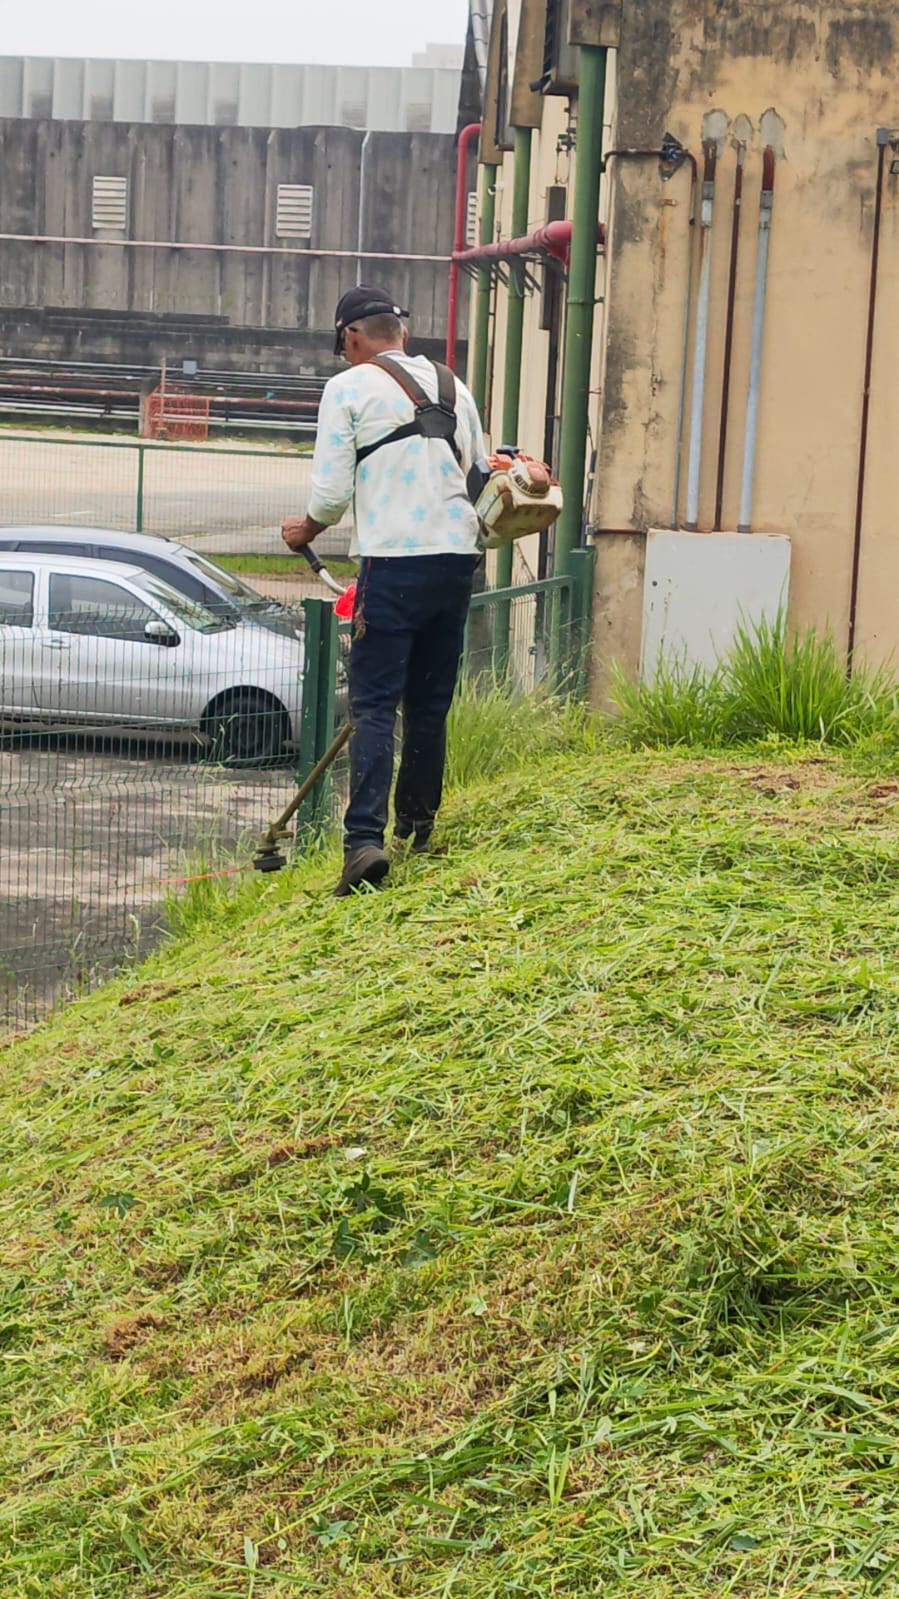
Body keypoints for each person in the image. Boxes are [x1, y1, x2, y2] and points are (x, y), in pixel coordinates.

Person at [282, 285, 486, 897]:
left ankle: (363, 844)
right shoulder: (453, 385)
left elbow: (329, 496)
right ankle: (418, 829)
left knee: (374, 707)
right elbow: (477, 472)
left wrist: (304, 531)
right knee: (429, 703)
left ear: (350, 337)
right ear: (400, 329)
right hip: (455, 559)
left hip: (393, 564)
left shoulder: (346, 388)